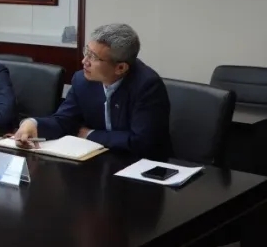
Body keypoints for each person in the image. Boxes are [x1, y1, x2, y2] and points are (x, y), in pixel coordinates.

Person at [13, 23, 172, 160]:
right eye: (86, 52)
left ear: (120, 68)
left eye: (93, 57)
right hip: (96, 161)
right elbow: (65, 121)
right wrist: (33, 124)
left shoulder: (147, 86)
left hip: (140, 168)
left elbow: (142, 142)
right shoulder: (82, 80)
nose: (84, 61)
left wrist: (89, 134)